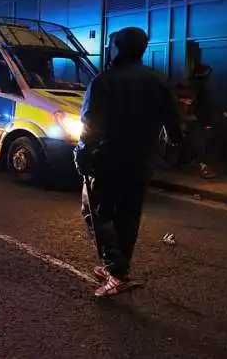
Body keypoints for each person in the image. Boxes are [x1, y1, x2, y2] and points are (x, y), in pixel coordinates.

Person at [74, 27, 182, 297]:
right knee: (128, 216)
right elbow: (174, 129)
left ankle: (116, 271)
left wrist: (82, 153)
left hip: (106, 161)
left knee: (96, 214)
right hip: (141, 161)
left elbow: (91, 126)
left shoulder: (104, 81)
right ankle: (118, 266)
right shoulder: (158, 81)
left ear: (117, 48)